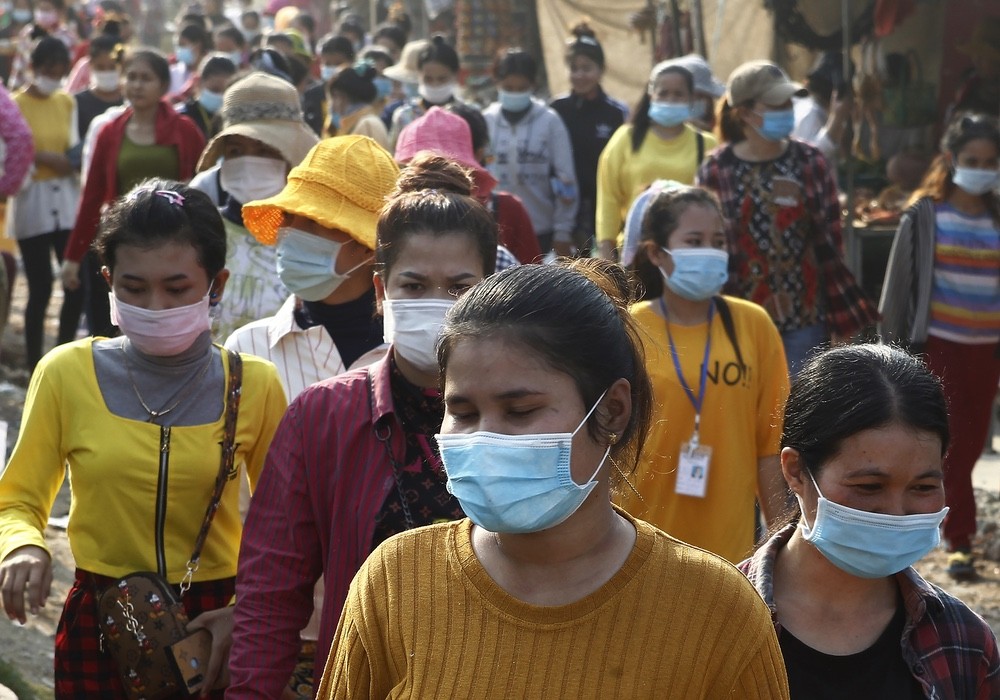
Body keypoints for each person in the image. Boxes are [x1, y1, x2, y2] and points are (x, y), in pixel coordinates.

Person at [315, 258, 790, 698]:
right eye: (463, 412)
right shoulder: (395, 582)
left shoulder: (717, 612)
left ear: (612, 410)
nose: (485, 437)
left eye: (520, 410)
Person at [0, 179, 287, 698]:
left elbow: (286, 526)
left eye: (176, 288)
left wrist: (243, 611)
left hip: (214, 624)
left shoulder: (255, 385)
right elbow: (17, 498)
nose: (155, 305)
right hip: (99, 619)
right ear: (108, 281)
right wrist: (23, 547)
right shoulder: (65, 373)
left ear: (216, 285)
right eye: (134, 288)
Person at [228, 154, 499, 700]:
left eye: (458, 287)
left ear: (491, 291)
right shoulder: (322, 415)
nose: (436, 305)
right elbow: (271, 590)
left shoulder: (528, 415)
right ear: (381, 291)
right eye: (414, 286)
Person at [739, 344, 1000, 698]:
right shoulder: (716, 622)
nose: (896, 512)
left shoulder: (963, 643)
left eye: (923, 487)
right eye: (869, 486)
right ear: (796, 471)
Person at [616, 184, 789, 563]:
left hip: (727, 547)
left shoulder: (754, 326)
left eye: (718, 241)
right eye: (694, 241)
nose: (709, 252)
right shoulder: (630, 329)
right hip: (638, 538)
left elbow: (770, 448)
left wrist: (780, 543)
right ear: (656, 253)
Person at [879, 113, 1000, 581]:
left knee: (971, 445)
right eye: (972, 160)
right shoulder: (925, 215)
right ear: (951, 159)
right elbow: (898, 289)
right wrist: (892, 353)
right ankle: (958, 539)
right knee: (948, 444)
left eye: (989, 162)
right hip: (938, 347)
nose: (981, 169)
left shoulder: (995, 216)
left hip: (986, 351)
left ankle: (940, 528)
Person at [698, 60, 878, 375]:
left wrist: (840, 322)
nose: (786, 110)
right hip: (739, 317)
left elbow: (832, 245)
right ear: (744, 113)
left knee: (799, 402)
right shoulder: (716, 169)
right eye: (775, 105)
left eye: (787, 103)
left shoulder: (810, 161)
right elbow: (708, 246)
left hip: (804, 319)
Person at [62, 48, 206, 339]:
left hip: (174, 245)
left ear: (163, 86)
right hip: (123, 245)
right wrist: (73, 256)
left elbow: (201, 190)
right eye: (131, 77)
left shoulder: (185, 130)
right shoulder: (110, 132)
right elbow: (92, 197)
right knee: (112, 327)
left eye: (146, 78)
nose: (137, 85)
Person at [191, 71, 319, 340]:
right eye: (236, 151)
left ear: (291, 157)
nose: (250, 163)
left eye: (266, 150)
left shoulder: (314, 238)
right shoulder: (200, 233)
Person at [9, 36, 82, 371]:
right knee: (39, 287)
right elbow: (13, 150)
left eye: (59, 70)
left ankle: (63, 356)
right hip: (31, 201)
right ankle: (34, 363)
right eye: (48, 69)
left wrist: (63, 161)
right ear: (35, 68)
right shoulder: (15, 105)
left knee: (74, 284)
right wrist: (40, 157)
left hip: (65, 200)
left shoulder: (66, 102)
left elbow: (73, 147)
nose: (54, 76)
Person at [594, 61, 716, 261]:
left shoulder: (707, 144)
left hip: (691, 253)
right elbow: (608, 199)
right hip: (636, 253)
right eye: (663, 93)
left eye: (678, 94)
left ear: (691, 99)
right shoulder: (626, 138)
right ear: (651, 96)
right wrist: (607, 252)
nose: (670, 99)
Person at [395, 105, 539, 265]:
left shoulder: (500, 253)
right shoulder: (391, 227)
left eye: (447, 174)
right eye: (421, 176)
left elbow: (534, 277)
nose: (434, 192)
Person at [484, 48, 577, 256]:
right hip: (495, 227)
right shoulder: (487, 120)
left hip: (541, 229)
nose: (515, 93)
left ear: (533, 85)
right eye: (508, 88)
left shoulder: (550, 121)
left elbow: (566, 179)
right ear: (497, 83)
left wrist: (563, 231)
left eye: (522, 88)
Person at [550, 21, 628, 256]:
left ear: (601, 69)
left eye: (587, 68)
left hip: (606, 202)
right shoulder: (557, 109)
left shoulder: (616, 112)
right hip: (567, 209)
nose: (579, 75)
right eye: (574, 68)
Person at [387, 34, 459, 149]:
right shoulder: (404, 116)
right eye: (428, 79)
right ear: (419, 75)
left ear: (454, 75)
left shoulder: (466, 116)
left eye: (442, 79)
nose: (435, 84)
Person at [7, 0, 77, 89]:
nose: (42, 13)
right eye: (40, 9)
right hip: (29, 91)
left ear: (59, 11)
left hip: (56, 90)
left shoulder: (67, 37)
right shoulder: (27, 33)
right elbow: (19, 67)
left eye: (47, 9)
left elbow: (69, 69)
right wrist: (13, 89)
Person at [326, 59, 389, 147]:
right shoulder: (357, 123)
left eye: (333, 96)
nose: (331, 104)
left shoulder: (367, 125)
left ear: (341, 96)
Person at [177, 53, 237, 139]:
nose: (221, 96)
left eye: (226, 92)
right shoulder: (182, 116)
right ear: (199, 83)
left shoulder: (236, 120)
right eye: (215, 90)